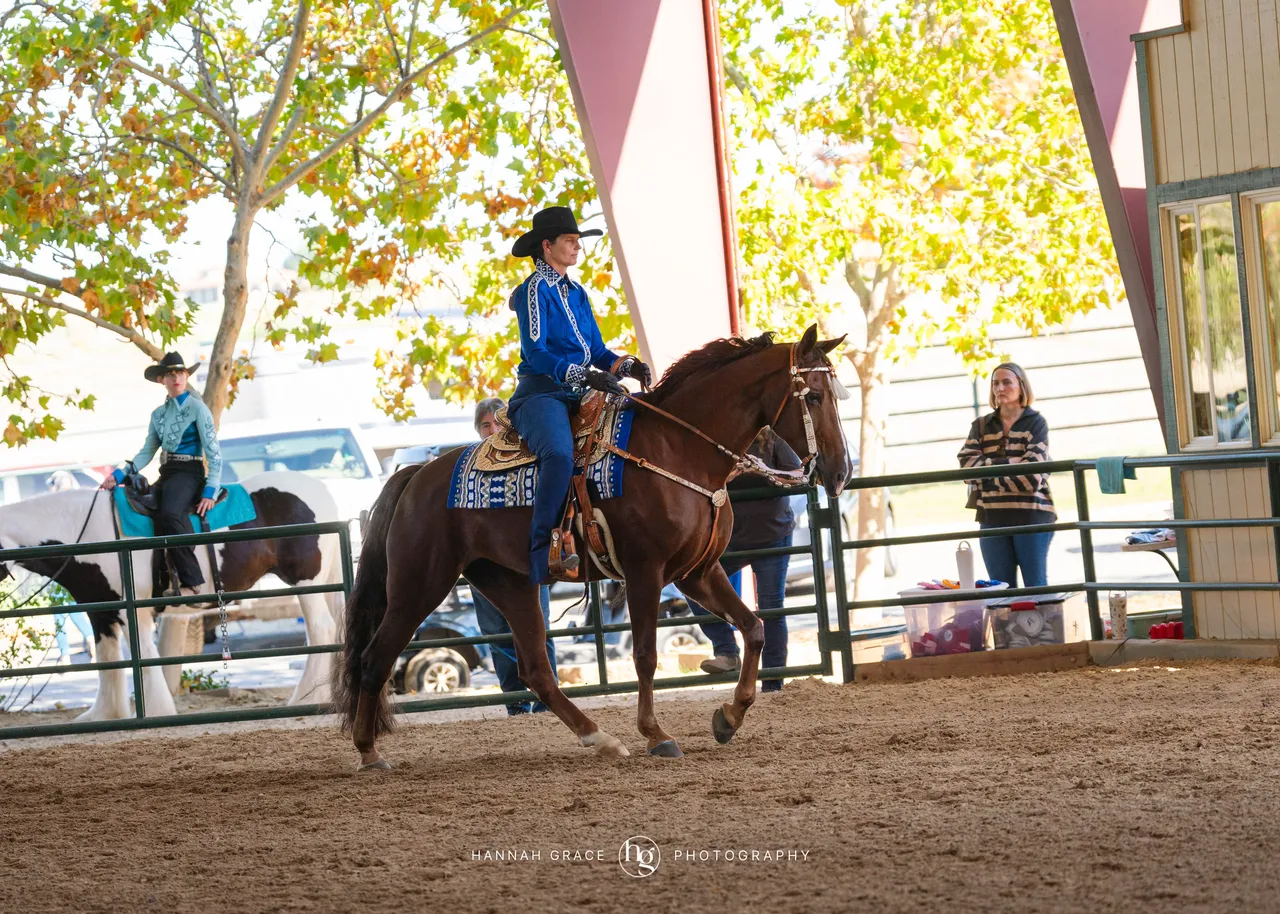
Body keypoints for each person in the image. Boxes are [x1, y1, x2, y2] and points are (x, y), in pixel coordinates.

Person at [507, 205, 652, 584]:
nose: (577, 248)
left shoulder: (578, 294)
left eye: (577, 242)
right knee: (557, 455)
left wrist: (626, 366)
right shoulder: (533, 290)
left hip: (583, 391)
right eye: (570, 241)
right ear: (546, 245)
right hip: (543, 394)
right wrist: (582, 375)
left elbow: (599, 352)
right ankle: (543, 552)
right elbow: (537, 352)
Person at [684, 429, 800, 692]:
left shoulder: (775, 439)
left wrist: (762, 470)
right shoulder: (719, 439)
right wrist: (726, 476)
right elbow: (696, 480)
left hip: (772, 534)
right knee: (693, 583)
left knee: (772, 608)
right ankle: (726, 649)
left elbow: (797, 475)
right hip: (730, 538)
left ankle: (772, 684)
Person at [101, 352, 223, 598]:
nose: (176, 377)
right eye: (170, 374)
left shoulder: (198, 409)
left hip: (190, 472)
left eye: (180, 373)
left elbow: (215, 454)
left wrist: (210, 490)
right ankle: (161, 579)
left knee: (170, 512)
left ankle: (193, 581)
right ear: (162, 380)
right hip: (167, 472)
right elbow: (147, 451)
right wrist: (119, 473)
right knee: (149, 508)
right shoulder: (157, 415)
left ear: (186, 376)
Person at [468, 397, 557, 716]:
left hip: (525, 562)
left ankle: (548, 699)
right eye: (486, 425)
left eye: (499, 423)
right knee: (498, 635)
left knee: (538, 630)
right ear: (478, 431)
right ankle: (516, 702)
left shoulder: (530, 459)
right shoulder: (470, 468)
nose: (493, 431)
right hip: (486, 568)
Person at [957, 362, 1056, 588]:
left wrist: (988, 475)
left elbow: (1031, 478)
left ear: (1021, 386)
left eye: (1006, 382)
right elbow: (966, 467)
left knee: (1036, 588)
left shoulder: (1036, 423)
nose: (1000, 388)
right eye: (995, 383)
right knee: (999, 591)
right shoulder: (981, 426)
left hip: (1031, 517)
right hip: (992, 519)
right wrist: (1008, 463)